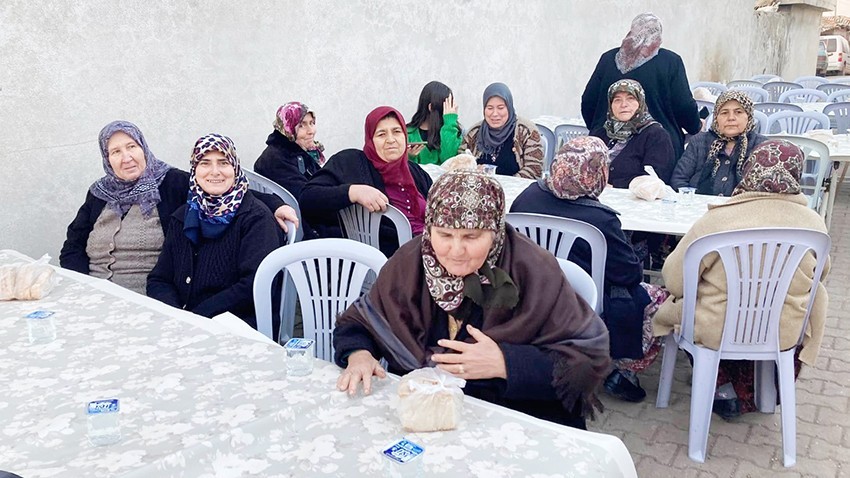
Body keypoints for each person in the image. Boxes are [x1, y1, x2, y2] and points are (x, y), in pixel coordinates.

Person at [332, 170, 611, 429]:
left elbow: (586, 359)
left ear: (495, 231)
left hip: (509, 419)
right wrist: (360, 355)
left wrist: (508, 363)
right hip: (425, 414)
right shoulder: (409, 263)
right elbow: (361, 321)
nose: (456, 251)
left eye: (471, 236)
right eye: (444, 235)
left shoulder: (532, 270)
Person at [654, 139, 830, 419]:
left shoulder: (716, 220)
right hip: (783, 330)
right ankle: (762, 393)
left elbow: (675, 280)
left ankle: (721, 386)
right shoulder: (814, 224)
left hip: (716, 327)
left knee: (679, 301)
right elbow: (820, 273)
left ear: (749, 169)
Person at [510, 136, 667, 402]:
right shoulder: (600, 219)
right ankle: (619, 368)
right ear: (598, 171)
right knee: (655, 297)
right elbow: (628, 273)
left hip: (529, 292)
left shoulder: (526, 197)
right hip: (583, 298)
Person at [60, 121, 296, 295]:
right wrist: (84, 287)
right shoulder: (99, 193)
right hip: (94, 292)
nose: (126, 157)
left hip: (143, 295)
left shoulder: (170, 182)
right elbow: (73, 245)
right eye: (116, 152)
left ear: (143, 148)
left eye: (131, 147)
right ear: (106, 158)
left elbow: (217, 186)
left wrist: (275, 204)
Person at [147, 134, 280, 328]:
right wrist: (175, 315)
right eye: (205, 163)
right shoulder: (182, 217)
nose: (215, 171)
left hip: (238, 326)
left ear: (235, 168)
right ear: (194, 170)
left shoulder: (255, 219)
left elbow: (253, 285)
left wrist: (196, 317)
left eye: (223, 162)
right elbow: (159, 278)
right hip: (184, 324)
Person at [300, 106, 432, 257]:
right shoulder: (351, 163)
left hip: (432, 250)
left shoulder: (415, 172)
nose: (391, 140)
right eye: (381, 134)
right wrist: (352, 192)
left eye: (397, 132)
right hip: (390, 261)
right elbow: (308, 198)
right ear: (370, 139)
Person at [581, 13, 700, 161]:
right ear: (658, 36)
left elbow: (588, 101)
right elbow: (683, 105)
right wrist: (695, 126)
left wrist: (601, 127)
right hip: (658, 148)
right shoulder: (670, 61)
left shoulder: (608, 59)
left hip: (605, 144)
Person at [670, 90, 768, 196]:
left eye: (738, 112)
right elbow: (678, 180)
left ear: (748, 116)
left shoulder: (762, 146)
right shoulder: (699, 142)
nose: (731, 118)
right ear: (716, 118)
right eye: (724, 113)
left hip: (742, 210)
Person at [255, 102, 326, 238]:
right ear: (287, 127)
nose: (311, 130)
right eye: (302, 125)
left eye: (312, 123)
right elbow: (308, 199)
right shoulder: (277, 158)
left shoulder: (298, 151)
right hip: (306, 229)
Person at [589, 79, 676, 187]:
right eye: (617, 100)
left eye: (630, 98)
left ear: (640, 102)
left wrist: (615, 185)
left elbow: (656, 178)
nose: (623, 105)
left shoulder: (656, 135)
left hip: (634, 199)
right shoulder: (602, 132)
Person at [460, 82, 544, 179]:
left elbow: (534, 170)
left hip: (516, 191)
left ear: (509, 107)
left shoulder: (526, 131)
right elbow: (460, 162)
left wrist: (502, 179)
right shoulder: (474, 133)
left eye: (500, 108)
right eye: (490, 108)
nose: (495, 114)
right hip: (480, 189)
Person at [406, 81, 463, 166]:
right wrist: (410, 157)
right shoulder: (407, 134)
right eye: (447, 105)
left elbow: (448, 162)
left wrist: (449, 122)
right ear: (431, 107)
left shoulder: (453, 130)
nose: (451, 109)